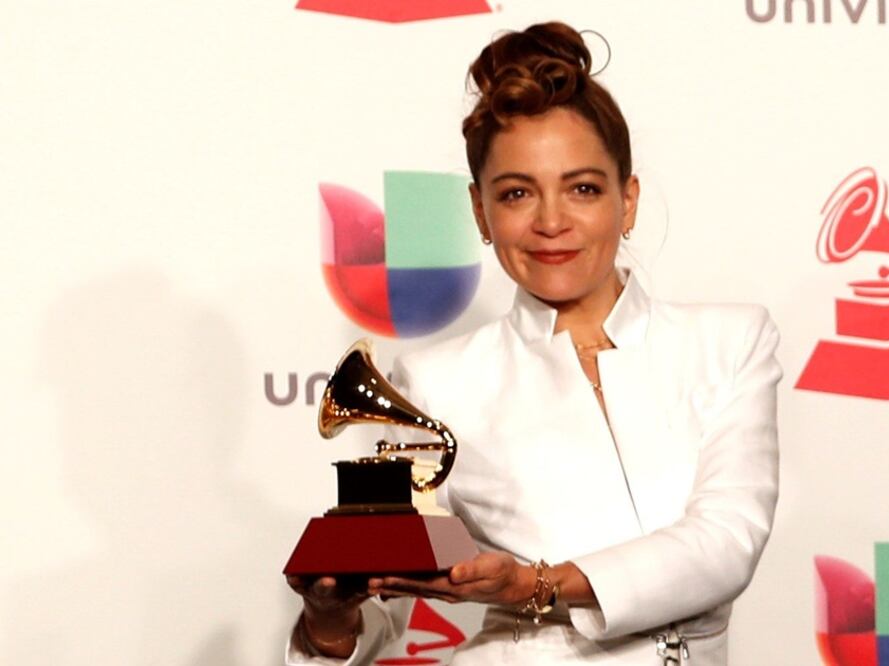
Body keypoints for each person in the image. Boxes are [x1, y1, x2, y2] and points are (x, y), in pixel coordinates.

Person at [286, 21, 781, 665]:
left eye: (583, 188)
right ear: (480, 212)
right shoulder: (436, 380)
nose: (551, 222)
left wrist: (537, 585)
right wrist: (329, 621)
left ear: (627, 201)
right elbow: (386, 608)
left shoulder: (731, 341)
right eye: (517, 193)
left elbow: (726, 542)